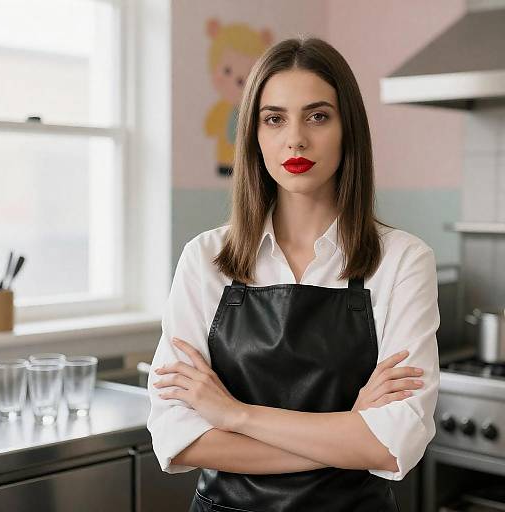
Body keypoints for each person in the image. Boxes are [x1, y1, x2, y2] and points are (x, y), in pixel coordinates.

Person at [147, 36, 440, 512]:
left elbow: (392, 445)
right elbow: (178, 438)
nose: (296, 138)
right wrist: (347, 429)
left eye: (318, 116)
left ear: (349, 129)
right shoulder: (203, 258)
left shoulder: (404, 261)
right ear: (253, 134)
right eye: (274, 118)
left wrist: (235, 415)